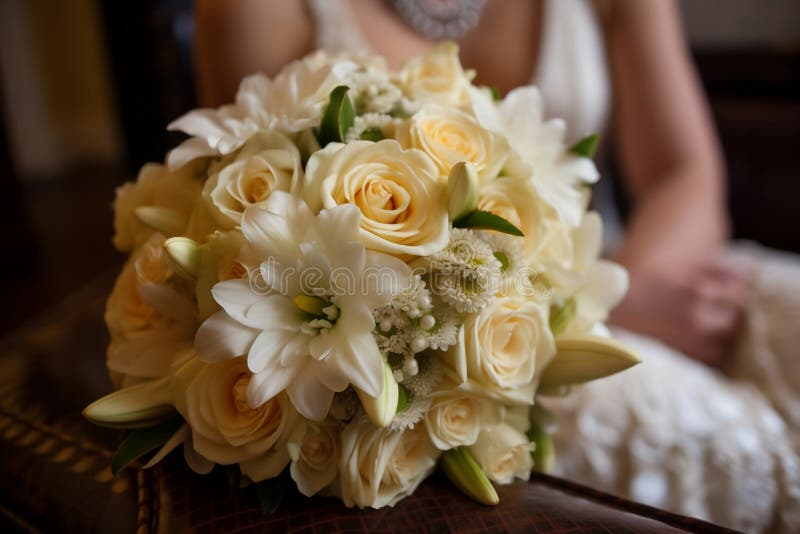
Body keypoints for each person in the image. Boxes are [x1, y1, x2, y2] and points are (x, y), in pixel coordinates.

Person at [193, 1, 800, 531]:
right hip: (464, 346)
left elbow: (683, 172)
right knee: (749, 454)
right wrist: (602, 314)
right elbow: (253, 221)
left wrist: (626, 288)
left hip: (641, 266)